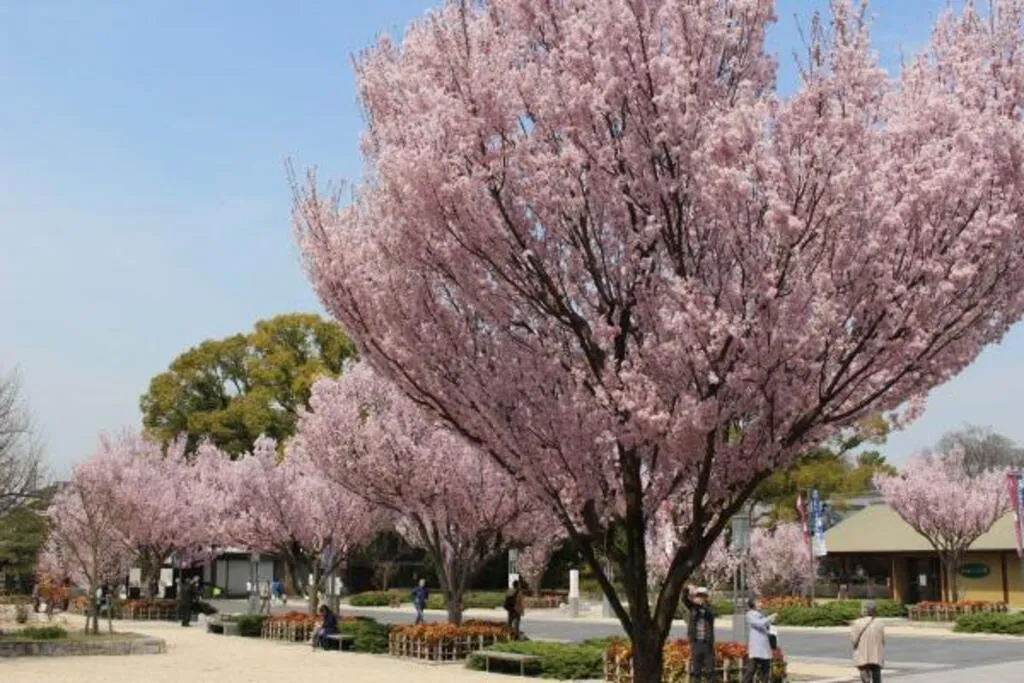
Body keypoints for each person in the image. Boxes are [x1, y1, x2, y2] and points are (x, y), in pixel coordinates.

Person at [683, 586, 716, 683]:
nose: (700, 598)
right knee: (696, 671)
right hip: (696, 643)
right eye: (698, 596)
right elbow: (684, 599)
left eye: (702, 596)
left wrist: (703, 606)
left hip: (707, 643)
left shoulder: (709, 609)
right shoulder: (693, 608)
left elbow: (711, 614)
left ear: (706, 597)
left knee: (710, 670)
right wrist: (687, 589)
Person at [743, 597, 778, 683]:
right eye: (758, 602)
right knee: (751, 670)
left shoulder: (761, 614)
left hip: (765, 646)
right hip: (756, 647)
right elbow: (759, 623)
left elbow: (767, 626)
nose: (760, 604)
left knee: (766, 671)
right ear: (752, 604)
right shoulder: (750, 614)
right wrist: (770, 618)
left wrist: (772, 622)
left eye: (760, 602)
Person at [851, 600, 885, 683]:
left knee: (864, 672)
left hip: (862, 654)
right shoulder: (880, 623)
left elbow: (854, 640)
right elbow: (883, 640)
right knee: (876, 674)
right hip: (876, 654)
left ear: (864, 610)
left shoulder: (857, 623)